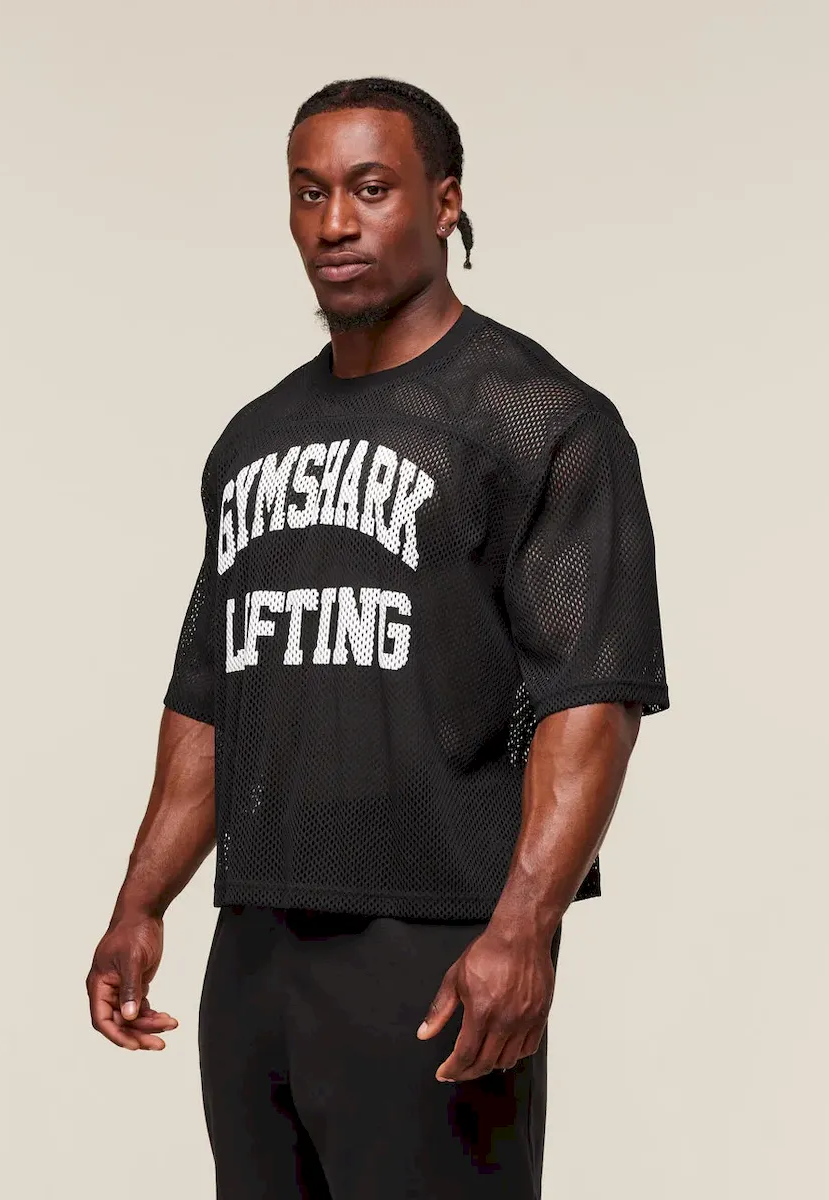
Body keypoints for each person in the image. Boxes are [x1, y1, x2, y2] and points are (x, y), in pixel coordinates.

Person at [86, 76, 670, 1199]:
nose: (335, 223)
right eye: (309, 192)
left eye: (370, 188)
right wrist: (139, 904)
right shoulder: (254, 438)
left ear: (445, 202)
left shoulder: (539, 418)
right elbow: (211, 694)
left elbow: (591, 698)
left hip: (436, 942)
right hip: (255, 940)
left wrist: (523, 928)